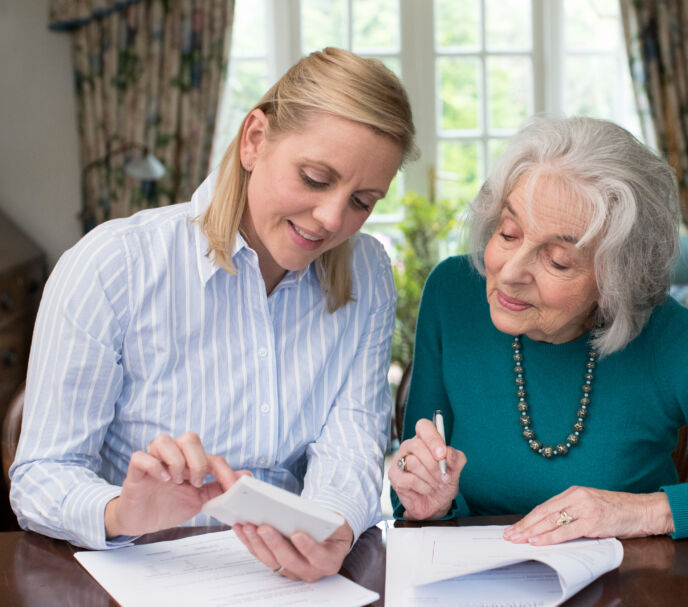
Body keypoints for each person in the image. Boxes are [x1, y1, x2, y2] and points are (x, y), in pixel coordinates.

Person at [10, 47, 415, 582]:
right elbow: (41, 476)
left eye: (362, 201)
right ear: (254, 140)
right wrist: (121, 512)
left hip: (295, 585)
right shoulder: (112, 266)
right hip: (141, 576)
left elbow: (353, 440)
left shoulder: (367, 272)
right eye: (316, 178)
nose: (332, 219)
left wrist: (330, 526)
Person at [389, 116, 688, 542]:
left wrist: (642, 511)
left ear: (616, 280)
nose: (511, 271)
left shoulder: (668, 338)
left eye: (559, 260)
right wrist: (426, 503)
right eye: (508, 233)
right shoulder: (454, 292)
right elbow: (417, 497)